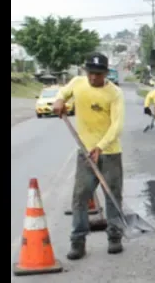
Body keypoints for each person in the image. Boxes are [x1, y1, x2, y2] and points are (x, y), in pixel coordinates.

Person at [53, 52, 126, 259]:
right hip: (85, 152)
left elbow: (117, 125)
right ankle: (78, 241)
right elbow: (63, 93)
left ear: (106, 73)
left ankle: (114, 236)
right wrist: (59, 100)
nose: (94, 78)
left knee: (113, 196)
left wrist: (101, 147)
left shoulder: (115, 93)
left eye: (99, 74)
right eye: (91, 73)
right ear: (86, 72)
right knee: (80, 197)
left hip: (110, 153)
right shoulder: (77, 82)